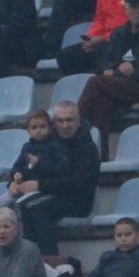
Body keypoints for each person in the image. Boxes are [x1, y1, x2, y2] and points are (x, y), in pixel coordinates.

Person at [19, 102, 101, 254]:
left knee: (36, 208)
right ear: (53, 123)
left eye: (69, 120)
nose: (65, 125)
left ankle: (50, 261)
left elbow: (77, 183)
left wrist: (39, 185)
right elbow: (27, 165)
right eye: (60, 120)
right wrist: (16, 182)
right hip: (48, 193)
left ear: (78, 121)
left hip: (76, 201)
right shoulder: (47, 142)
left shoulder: (87, 149)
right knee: (6, 207)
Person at [80, 0, 139, 145]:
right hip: (120, 86)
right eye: (133, 6)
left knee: (95, 82)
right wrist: (114, 71)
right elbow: (106, 61)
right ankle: (99, 160)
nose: (138, 10)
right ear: (126, 8)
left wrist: (133, 71)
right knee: (100, 107)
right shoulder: (119, 33)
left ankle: (73, 121)